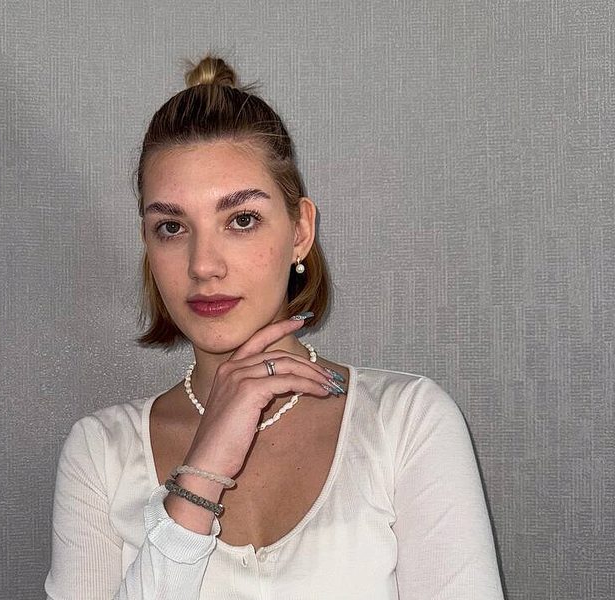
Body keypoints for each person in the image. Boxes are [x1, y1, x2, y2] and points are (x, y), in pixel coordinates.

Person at [45, 55, 504, 600]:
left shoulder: (406, 423)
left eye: (241, 220)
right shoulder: (100, 453)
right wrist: (200, 473)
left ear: (300, 231)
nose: (203, 265)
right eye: (171, 227)